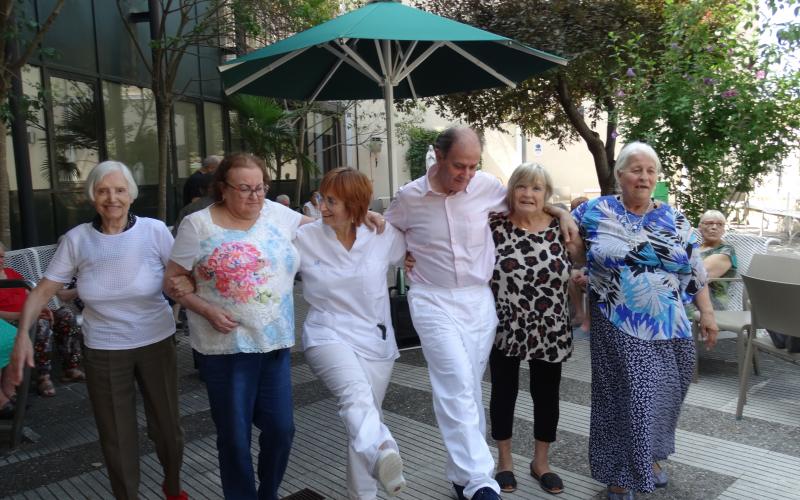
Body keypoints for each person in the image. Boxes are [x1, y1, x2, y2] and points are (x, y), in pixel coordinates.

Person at [385, 126, 577, 500]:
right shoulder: (409, 197)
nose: (467, 175)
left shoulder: (487, 186)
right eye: (459, 166)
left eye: (473, 166)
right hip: (432, 298)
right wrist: (399, 252)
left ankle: (460, 475)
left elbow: (528, 200)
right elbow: (389, 230)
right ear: (438, 157)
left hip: (478, 302)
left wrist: (562, 212)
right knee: (456, 383)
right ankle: (479, 480)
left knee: (468, 389)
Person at [7, 161, 187, 500]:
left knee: (167, 429)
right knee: (117, 437)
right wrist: (21, 338)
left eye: (119, 190)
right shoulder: (78, 239)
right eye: (103, 191)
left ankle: (173, 487)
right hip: (104, 348)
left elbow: (181, 276)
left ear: (131, 195)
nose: (112, 198)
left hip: (155, 341)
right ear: (92, 196)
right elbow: (43, 291)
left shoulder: (154, 231)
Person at [571, 142, 718, 500]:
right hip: (619, 322)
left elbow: (695, 271)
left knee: (667, 394)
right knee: (628, 398)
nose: (644, 177)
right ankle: (620, 475)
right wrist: (576, 270)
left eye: (650, 171)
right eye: (636, 169)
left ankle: (651, 457)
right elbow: (565, 238)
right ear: (619, 174)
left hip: (672, 325)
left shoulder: (675, 218)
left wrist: (708, 313)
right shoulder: (595, 211)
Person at [295, 167, 407, 499]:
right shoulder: (304, 237)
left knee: (365, 421)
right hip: (326, 333)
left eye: (332, 201)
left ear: (356, 204)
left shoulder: (382, 234)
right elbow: (267, 223)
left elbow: (418, 253)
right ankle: (383, 447)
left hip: (375, 339)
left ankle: (365, 491)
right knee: (356, 399)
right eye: (321, 198)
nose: (323, 207)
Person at [488, 164, 584, 496]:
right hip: (505, 324)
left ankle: (541, 462)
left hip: (551, 325)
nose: (529, 194)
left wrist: (562, 214)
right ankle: (504, 461)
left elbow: (581, 261)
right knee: (503, 392)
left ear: (547, 194)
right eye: (522, 187)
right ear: (511, 190)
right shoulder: (494, 224)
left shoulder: (563, 227)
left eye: (537, 188)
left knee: (546, 396)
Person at [0, 242, 84, 397]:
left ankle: (70, 368)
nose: (1, 260)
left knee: (65, 315)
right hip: (11, 321)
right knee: (41, 323)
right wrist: (23, 316)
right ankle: (43, 377)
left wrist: (41, 308)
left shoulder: (11, 273)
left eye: (2, 256)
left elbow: (30, 296)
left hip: (29, 313)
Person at [696, 210, 738, 310]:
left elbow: (698, 276)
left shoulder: (726, 251)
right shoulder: (696, 247)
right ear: (700, 227)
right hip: (686, 299)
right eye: (709, 223)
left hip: (709, 305)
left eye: (720, 224)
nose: (714, 227)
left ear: (723, 230)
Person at [568, 197, 590, 331]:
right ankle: (580, 313)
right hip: (581, 269)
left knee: (594, 281)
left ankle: (588, 321)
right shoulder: (571, 229)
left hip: (596, 272)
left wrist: (587, 273)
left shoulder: (595, 229)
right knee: (571, 276)